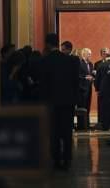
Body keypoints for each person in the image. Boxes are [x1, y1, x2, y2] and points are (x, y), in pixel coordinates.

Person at [39, 33, 79, 170]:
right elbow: (75, 81)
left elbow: (43, 84)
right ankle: (67, 159)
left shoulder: (45, 61)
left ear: (48, 44)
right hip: (67, 102)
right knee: (67, 132)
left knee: (54, 132)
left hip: (51, 102)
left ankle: (56, 159)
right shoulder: (70, 60)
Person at [93, 48, 110, 129]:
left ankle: (105, 124)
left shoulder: (101, 66)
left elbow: (97, 79)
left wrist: (97, 88)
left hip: (103, 90)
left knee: (104, 107)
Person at [77, 48, 94, 130]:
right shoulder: (79, 63)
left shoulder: (91, 64)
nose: (90, 55)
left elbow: (91, 74)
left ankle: (87, 124)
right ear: (84, 54)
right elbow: (78, 76)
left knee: (87, 107)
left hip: (89, 88)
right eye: (89, 54)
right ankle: (81, 126)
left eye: (90, 54)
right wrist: (85, 78)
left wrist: (92, 77)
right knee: (82, 107)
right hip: (81, 90)